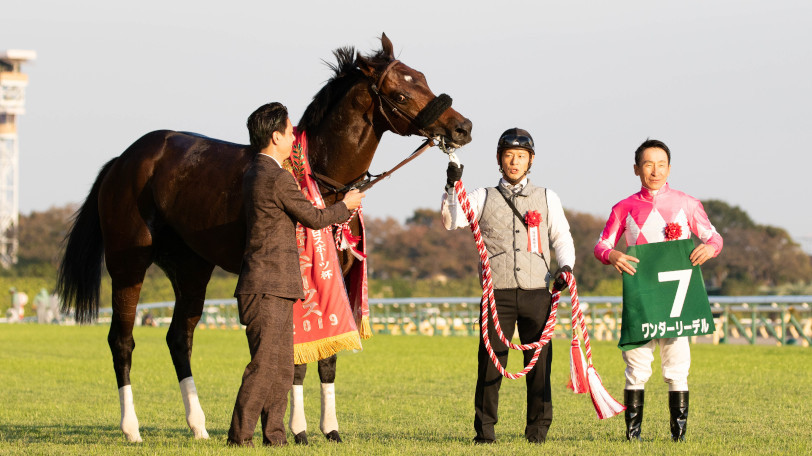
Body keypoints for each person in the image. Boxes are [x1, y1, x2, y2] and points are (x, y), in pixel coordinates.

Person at [227, 102, 365, 447]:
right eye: (290, 133)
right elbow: (314, 218)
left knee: (282, 368)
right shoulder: (274, 177)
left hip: (274, 285)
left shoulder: (258, 172)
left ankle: (275, 436)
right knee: (264, 367)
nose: (294, 139)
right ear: (275, 137)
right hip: (267, 286)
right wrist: (345, 206)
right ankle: (239, 437)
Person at [441, 128, 576, 444]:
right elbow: (452, 220)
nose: (514, 162)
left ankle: (538, 431)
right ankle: (485, 431)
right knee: (490, 363)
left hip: (539, 291)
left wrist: (566, 267)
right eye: (508, 155)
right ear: (499, 160)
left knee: (540, 365)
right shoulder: (482, 195)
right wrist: (450, 186)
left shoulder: (547, 196)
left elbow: (561, 237)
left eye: (521, 156)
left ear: (530, 160)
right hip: (496, 293)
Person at [594, 138, 723, 442]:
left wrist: (710, 249)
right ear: (636, 168)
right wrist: (611, 255)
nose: (655, 170)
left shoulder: (687, 204)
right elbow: (602, 244)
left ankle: (678, 437)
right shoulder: (623, 207)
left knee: (677, 366)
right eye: (648, 164)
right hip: (642, 296)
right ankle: (632, 435)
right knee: (636, 365)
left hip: (677, 298)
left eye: (661, 164)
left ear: (669, 167)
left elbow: (714, 237)